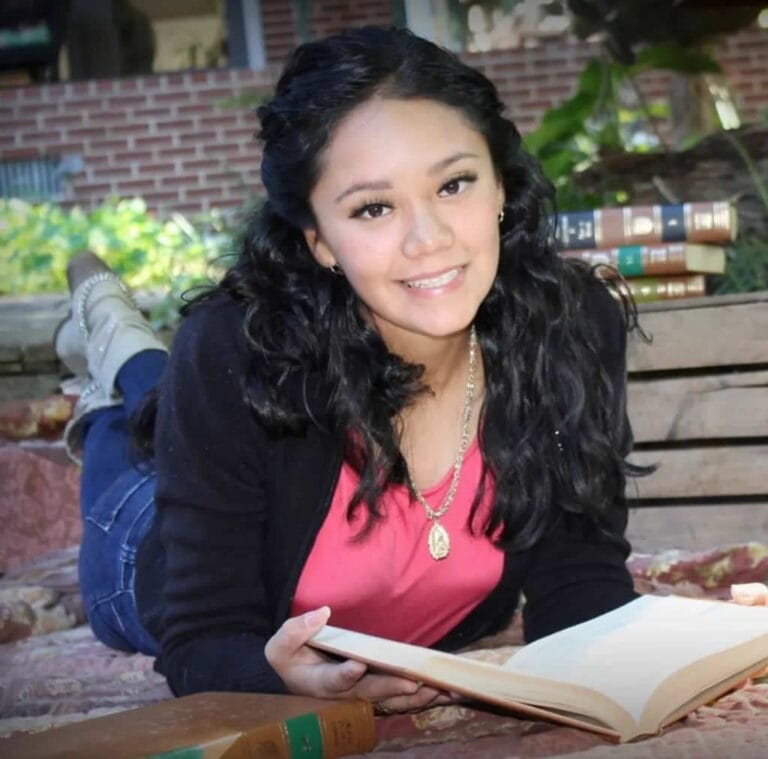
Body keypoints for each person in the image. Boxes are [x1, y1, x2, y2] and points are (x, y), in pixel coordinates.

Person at [56, 25, 761, 716]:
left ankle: (132, 357)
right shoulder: (231, 351)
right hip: (140, 546)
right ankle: (114, 353)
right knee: (127, 435)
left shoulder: (567, 325)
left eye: (454, 184)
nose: (429, 239)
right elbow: (201, 639)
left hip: (227, 437)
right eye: (373, 207)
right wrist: (277, 678)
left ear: (500, 184)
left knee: (165, 402)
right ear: (319, 239)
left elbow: (579, 584)